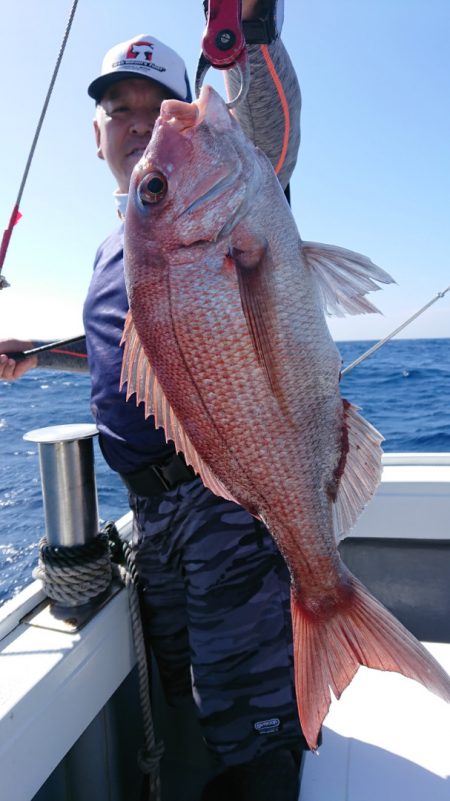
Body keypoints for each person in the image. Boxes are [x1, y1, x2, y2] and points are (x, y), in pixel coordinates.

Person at [0, 4, 307, 798]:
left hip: (223, 500)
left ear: (192, 113)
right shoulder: (126, 236)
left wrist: (250, 37)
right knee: (183, 687)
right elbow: (130, 354)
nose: (138, 123)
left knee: (250, 708)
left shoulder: (221, 195)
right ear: (96, 135)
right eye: (118, 109)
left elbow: (271, 134)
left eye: (155, 104)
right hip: (155, 518)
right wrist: (37, 356)